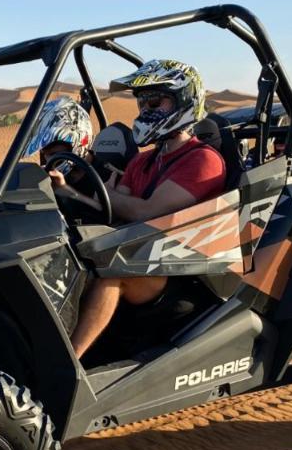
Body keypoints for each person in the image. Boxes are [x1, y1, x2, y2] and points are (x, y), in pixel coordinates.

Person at [69, 59, 225, 359]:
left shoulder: (203, 160)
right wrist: (70, 192)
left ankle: (69, 364)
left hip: (183, 269)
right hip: (142, 254)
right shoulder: (143, 161)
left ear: (184, 100)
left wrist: (109, 195)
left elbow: (144, 212)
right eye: (141, 103)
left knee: (113, 272)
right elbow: (117, 210)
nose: (145, 111)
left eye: (156, 101)